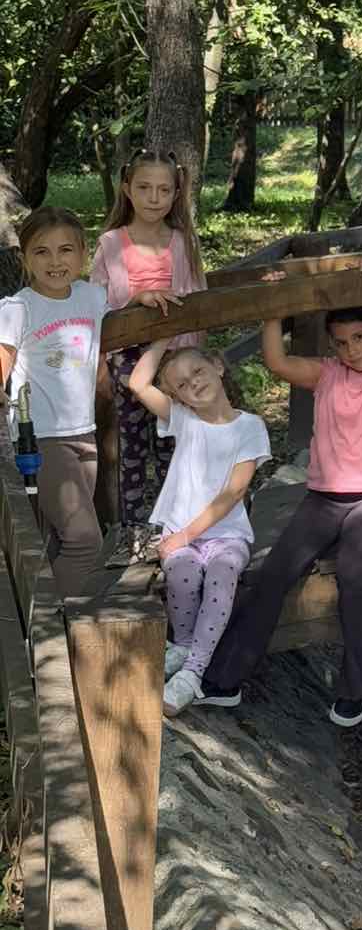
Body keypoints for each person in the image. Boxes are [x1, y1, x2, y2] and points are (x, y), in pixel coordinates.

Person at [196, 292, 362, 728]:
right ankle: (225, 679)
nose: (352, 349)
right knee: (273, 575)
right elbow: (276, 361)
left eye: (360, 337)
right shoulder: (328, 374)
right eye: (341, 342)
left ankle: (355, 688)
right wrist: (274, 306)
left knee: (355, 575)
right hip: (323, 498)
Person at [0, 207, 175, 597]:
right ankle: (55, 618)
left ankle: (47, 610)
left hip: (85, 433)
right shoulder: (19, 307)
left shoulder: (90, 296)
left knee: (58, 537)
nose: (55, 261)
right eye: (41, 252)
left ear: (82, 254)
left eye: (65, 250)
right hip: (40, 437)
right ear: (25, 258)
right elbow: (3, 357)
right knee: (84, 540)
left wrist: (142, 297)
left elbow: (118, 317)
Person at [128, 339, 270, 717]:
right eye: (181, 384)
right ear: (178, 397)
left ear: (218, 367)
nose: (193, 383)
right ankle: (182, 646)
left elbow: (234, 491)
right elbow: (138, 384)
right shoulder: (184, 420)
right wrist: (165, 335)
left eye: (198, 372)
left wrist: (186, 535)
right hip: (181, 535)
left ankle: (193, 673)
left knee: (222, 575)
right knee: (183, 574)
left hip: (227, 535)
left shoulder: (250, 427)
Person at [91, 148, 207, 564]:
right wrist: (136, 298)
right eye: (144, 188)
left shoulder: (181, 242)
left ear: (176, 193)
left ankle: (179, 525)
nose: (154, 198)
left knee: (175, 442)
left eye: (163, 190)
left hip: (175, 360)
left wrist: (193, 357)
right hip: (127, 361)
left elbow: (196, 300)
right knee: (134, 447)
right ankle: (135, 533)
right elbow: (95, 302)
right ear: (127, 189)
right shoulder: (111, 243)